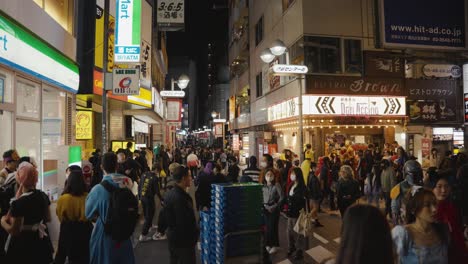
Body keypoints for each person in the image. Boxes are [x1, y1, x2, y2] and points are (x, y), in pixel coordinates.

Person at [85, 152, 135, 264]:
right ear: (117, 166)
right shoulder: (128, 183)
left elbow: (88, 214)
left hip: (105, 234)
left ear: (102, 167)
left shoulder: (97, 189)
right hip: (125, 233)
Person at [1, 162, 54, 263]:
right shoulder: (43, 196)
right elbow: (48, 218)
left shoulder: (18, 202)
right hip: (40, 242)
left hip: (23, 244)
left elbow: (14, 231)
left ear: (20, 178)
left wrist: (2, 221)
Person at [392, 187, 449, 264]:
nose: (434, 209)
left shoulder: (442, 230)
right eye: (427, 205)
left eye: (435, 203)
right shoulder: (402, 234)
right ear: (413, 209)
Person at [55, 170, 93, 264]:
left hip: (67, 229)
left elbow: (59, 216)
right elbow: (92, 215)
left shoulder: (63, 198)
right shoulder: (88, 197)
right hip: (86, 229)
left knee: (61, 254)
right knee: (84, 257)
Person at [164, 166, 199, 264]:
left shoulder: (170, 194)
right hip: (183, 243)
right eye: (189, 176)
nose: (191, 178)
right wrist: (194, 237)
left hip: (174, 239)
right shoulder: (180, 199)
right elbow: (184, 224)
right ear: (183, 178)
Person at [433, 177, 468, 263]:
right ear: (432, 189)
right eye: (439, 186)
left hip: (456, 252)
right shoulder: (429, 210)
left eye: (446, 186)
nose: (443, 190)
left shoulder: (453, 207)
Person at [391, 160, 423, 225]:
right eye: (415, 174)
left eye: (418, 173)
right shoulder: (398, 188)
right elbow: (395, 210)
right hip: (405, 220)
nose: (417, 176)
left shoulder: (422, 187)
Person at [285, 167, 308, 260]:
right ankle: (291, 247)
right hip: (290, 213)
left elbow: (299, 200)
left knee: (298, 233)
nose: (291, 175)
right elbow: (288, 197)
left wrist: (289, 199)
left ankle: (299, 251)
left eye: (293, 173)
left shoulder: (302, 187)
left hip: (298, 213)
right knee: (289, 232)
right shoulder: (291, 185)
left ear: (298, 175)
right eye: (291, 173)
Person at [138, 168, 163, 242]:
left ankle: (150, 225)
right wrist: (162, 199)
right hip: (149, 199)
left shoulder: (144, 174)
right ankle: (143, 235)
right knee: (150, 215)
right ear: (157, 170)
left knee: (146, 213)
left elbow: (140, 186)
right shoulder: (155, 178)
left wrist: (139, 196)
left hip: (142, 197)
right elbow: (157, 191)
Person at [262, 169, 284, 255]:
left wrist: (274, 206)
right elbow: (261, 197)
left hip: (274, 209)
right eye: (267, 174)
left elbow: (282, 197)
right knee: (267, 227)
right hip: (265, 208)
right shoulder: (263, 186)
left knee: (273, 227)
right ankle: (268, 244)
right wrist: (264, 206)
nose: (269, 176)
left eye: (271, 175)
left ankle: (275, 245)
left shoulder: (276, 185)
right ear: (265, 176)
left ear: (274, 176)